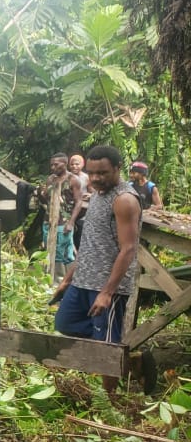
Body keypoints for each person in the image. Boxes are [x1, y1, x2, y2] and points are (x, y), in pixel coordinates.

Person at [52, 145, 140, 392]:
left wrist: (107, 292)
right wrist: (69, 278)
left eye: (103, 173)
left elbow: (129, 249)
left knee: (106, 347)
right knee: (64, 323)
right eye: (92, 173)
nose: (96, 178)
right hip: (83, 281)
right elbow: (90, 243)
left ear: (118, 168)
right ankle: (124, 355)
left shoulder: (124, 200)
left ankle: (108, 401)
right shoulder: (98, 195)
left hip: (107, 286)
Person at [39, 152, 78, 283]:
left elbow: (79, 203)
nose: (53, 167)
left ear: (65, 164)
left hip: (63, 222)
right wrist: (41, 193)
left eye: (56, 164)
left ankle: (64, 282)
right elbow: (46, 199)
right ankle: (50, 281)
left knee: (63, 254)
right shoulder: (51, 179)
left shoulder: (72, 180)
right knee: (49, 252)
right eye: (51, 165)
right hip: (48, 221)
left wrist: (71, 222)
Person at [67, 153, 90, 249]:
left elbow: (92, 191)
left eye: (77, 164)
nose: (74, 166)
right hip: (68, 210)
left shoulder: (86, 177)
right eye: (72, 164)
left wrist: (90, 195)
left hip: (82, 210)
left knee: (80, 234)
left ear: (82, 164)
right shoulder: (67, 177)